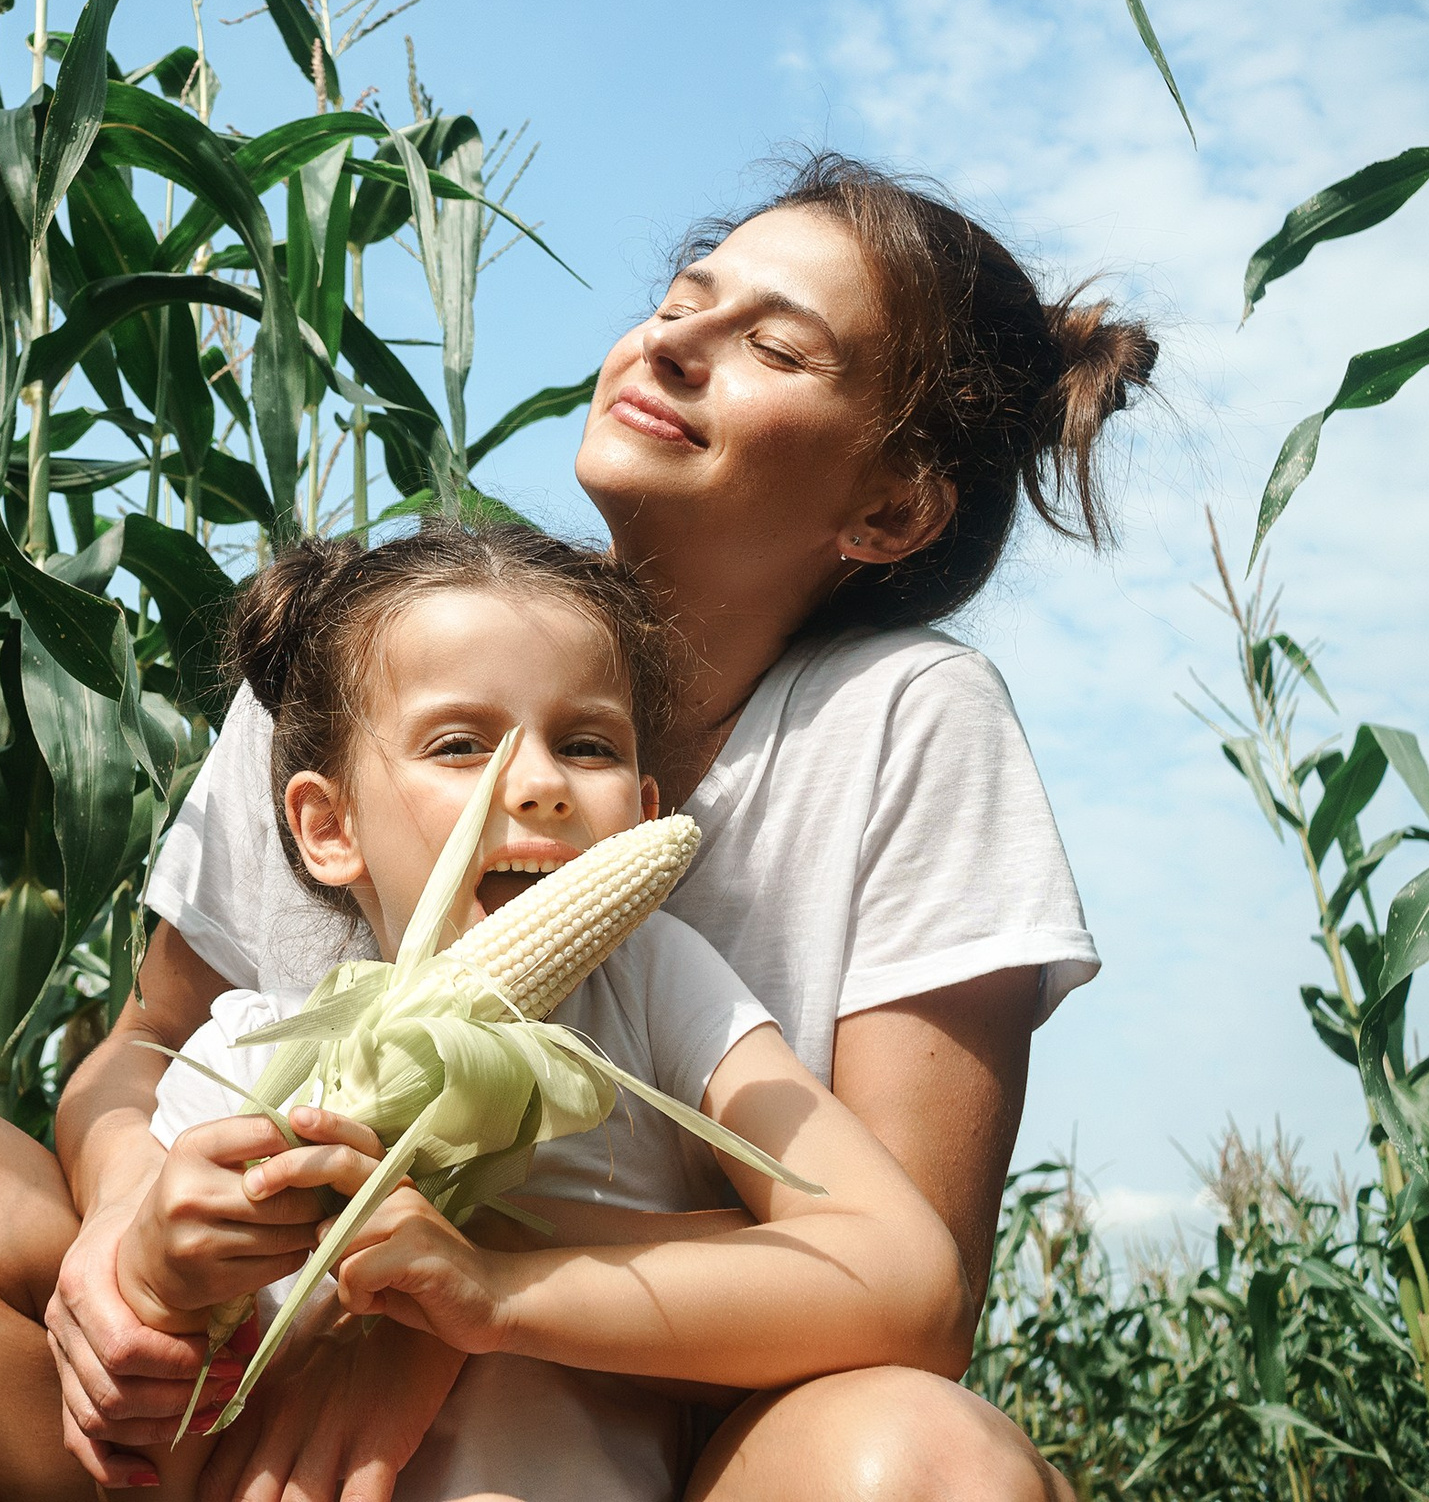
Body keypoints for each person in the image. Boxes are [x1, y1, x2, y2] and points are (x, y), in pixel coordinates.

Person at [0, 151, 1152, 1500]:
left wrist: (452, 1289)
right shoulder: (359, 655)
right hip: (255, 1406)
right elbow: (151, 1043)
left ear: (893, 504)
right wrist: (125, 1225)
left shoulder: (905, 724)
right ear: (323, 822)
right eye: (682, 299)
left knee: (929, 1463)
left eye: (774, 347)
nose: (672, 343)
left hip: (658, 1438)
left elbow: (909, 1286)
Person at [127, 522, 972, 1502]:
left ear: (645, 811)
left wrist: (497, 1287)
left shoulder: (652, 985)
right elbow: (150, 1465)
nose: (539, 786)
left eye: (587, 745)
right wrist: (161, 1285)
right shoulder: (241, 1057)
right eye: (459, 745)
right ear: (327, 825)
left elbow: (914, 1284)